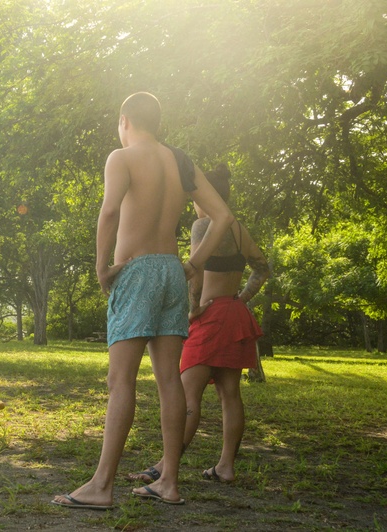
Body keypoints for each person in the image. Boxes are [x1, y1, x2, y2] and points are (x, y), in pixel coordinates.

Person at [51, 92, 234, 510]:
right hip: (171, 270)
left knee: (121, 381)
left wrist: (101, 268)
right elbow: (222, 217)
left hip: (134, 271)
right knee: (170, 379)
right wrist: (194, 263)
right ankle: (168, 481)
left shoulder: (123, 156)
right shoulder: (180, 160)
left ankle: (101, 485)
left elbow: (110, 212)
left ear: (125, 120)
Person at [128, 164, 270, 484]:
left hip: (210, 316)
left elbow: (196, 277)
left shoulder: (203, 225)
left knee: (186, 394)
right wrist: (241, 299)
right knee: (229, 394)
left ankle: (166, 466)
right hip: (235, 315)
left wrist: (193, 311)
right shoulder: (238, 229)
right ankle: (225, 467)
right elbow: (262, 267)